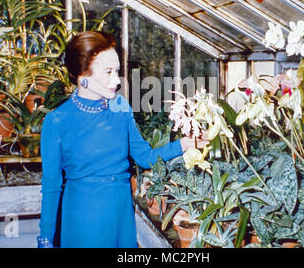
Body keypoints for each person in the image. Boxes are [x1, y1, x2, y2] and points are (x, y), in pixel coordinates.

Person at [37, 31, 207, 248]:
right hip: (84, 216)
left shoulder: (120, 108)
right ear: (83, 77)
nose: (116, 80)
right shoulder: (57, 121)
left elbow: (145, 158)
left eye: (117, 71)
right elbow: (51, 186)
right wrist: (45, 239)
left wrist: (186, 144)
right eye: (108, 72)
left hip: (122, 210)